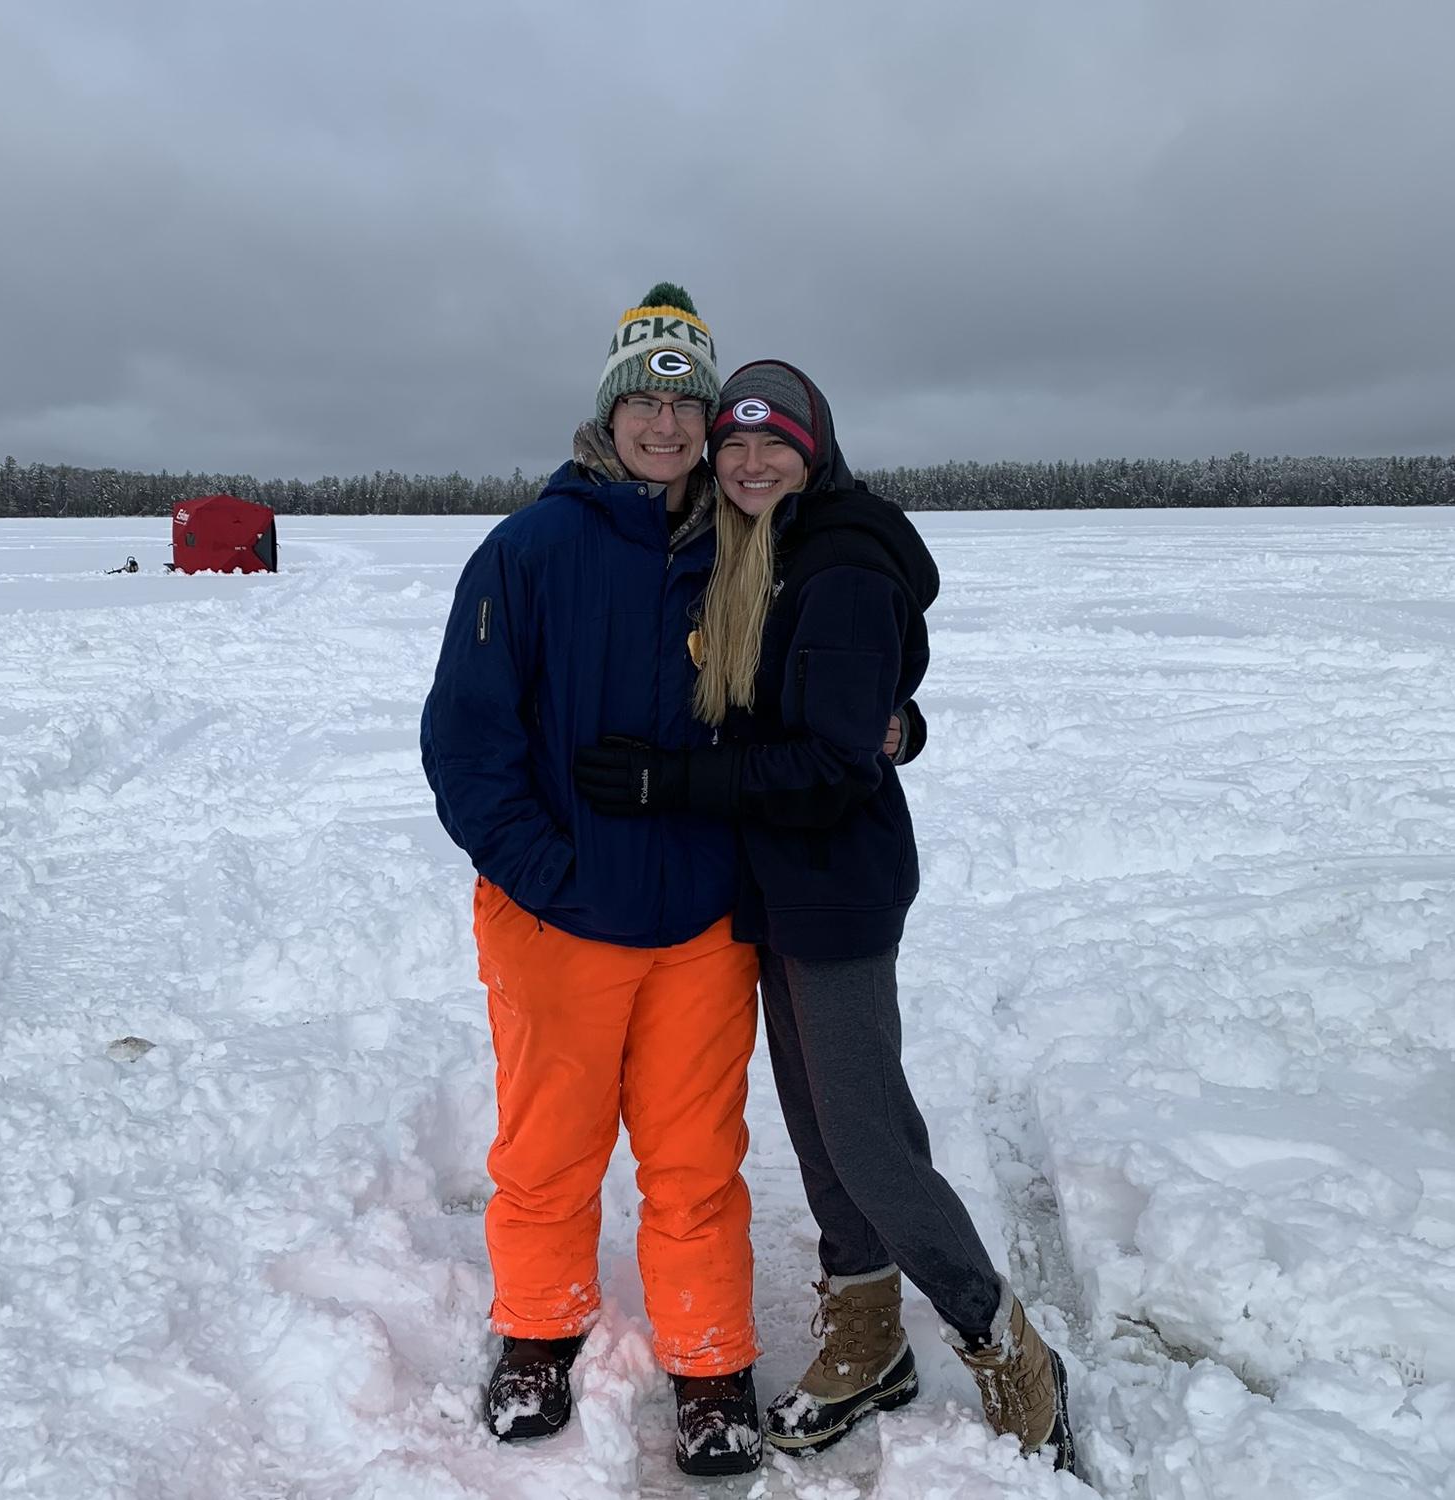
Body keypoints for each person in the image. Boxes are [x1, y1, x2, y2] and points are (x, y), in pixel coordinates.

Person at [574, 361, 1078, 1473]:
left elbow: (830, 766)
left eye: (776, 447)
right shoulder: (767, 548)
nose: (750, 464)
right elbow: (844, 716)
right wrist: (890, 723)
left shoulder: (839, 562)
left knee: (866, 1138)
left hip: (834, 886)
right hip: (776, 884)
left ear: (817, 451)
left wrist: (673, 784)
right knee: (816, 1125)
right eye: (736, 447)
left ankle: (1001, 1339)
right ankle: (868, 1335)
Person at [421, 284, 766, 1477]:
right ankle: (537, 1332)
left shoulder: (743, 547)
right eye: (646, 398)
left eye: (687, 401)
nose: (666, 423)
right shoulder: (528, 550)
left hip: (701, 926)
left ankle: (712, 1359)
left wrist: (893, 720)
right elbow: (466, 742)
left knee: (695, 1156)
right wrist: (538, 872)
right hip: (555, 919)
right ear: (610, 411)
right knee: (549, 1149)